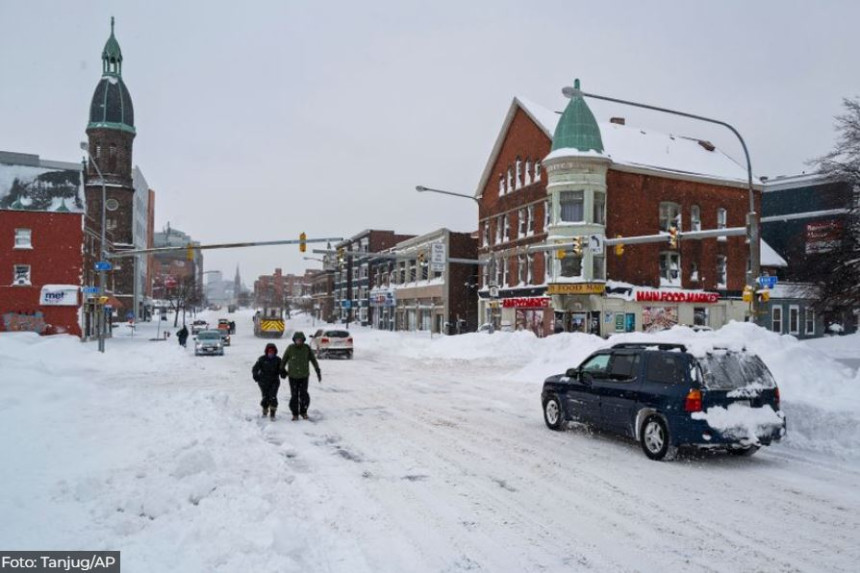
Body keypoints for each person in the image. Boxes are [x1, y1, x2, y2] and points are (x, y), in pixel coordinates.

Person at [280, 331, 321, 421]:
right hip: (293, 376)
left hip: (304, 376)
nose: (299, 341)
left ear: (303, 340)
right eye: (297, 340)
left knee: (304, 395)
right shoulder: (290, 348)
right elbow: (284, 359)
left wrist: (317, 370)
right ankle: (295, 413)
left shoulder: (306, 348)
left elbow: (313, 360)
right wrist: (281, 369)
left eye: (300, 340)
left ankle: (303, 411)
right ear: (294, 340)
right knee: (294, 396)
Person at [252, 343, 282, 419]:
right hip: (263, 381)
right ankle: (265, 409)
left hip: (274, 381)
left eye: (272, 351)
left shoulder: (278, 360)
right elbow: (255, 368)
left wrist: (283, 373)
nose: (271, 353)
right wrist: (255, 375)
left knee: (273, 396)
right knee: (265, 396)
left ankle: (273, 412)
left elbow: (281, 369)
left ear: (275, 352)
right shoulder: (262, 359)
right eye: (269, 351)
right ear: (267, 351)